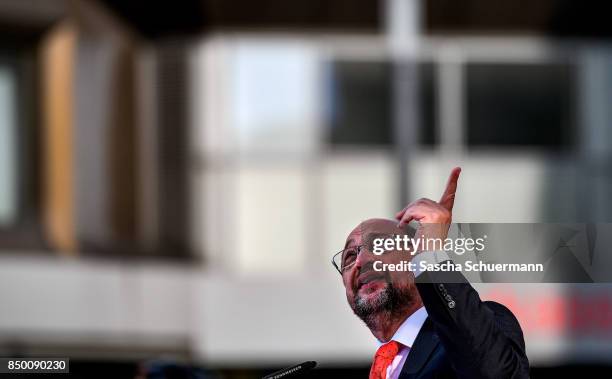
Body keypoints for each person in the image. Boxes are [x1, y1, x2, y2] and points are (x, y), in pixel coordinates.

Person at [333, 167, 530, 379]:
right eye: (350, 256)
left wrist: (430, 256)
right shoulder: (385, 368)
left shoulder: (478, 326)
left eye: (379, 245)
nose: (361, 261)